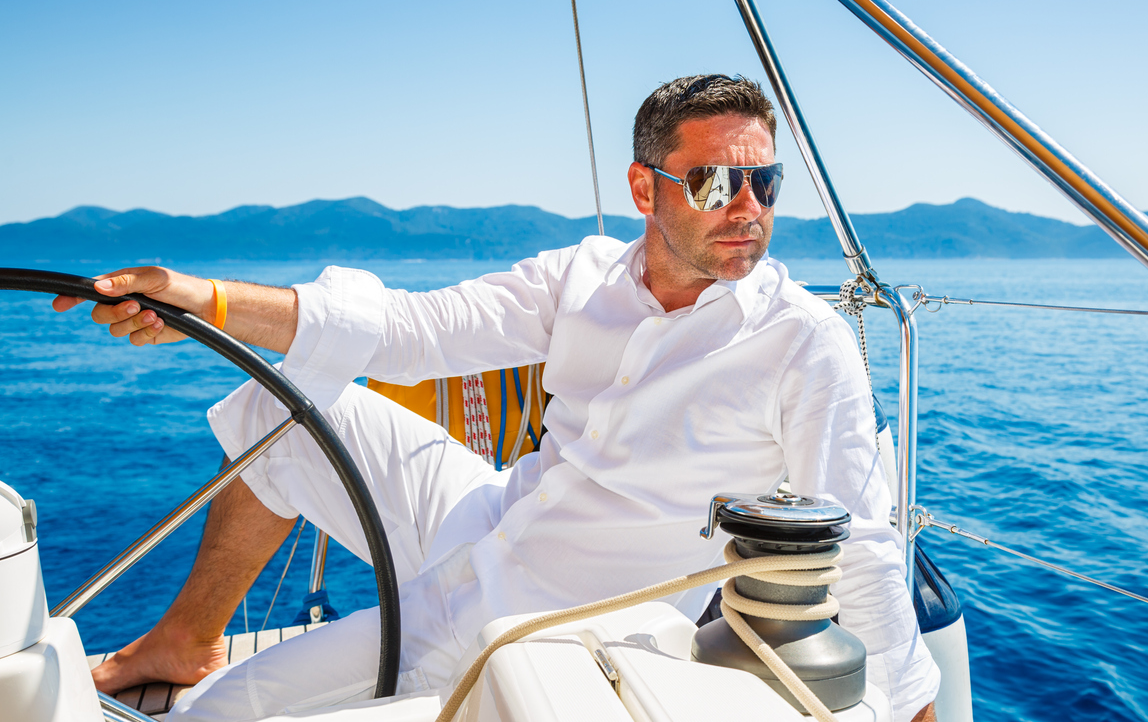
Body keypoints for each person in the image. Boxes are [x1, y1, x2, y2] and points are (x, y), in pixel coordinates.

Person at [55, 74, 939, 721]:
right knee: (281, 404)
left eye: (764, 183)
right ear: (646, 189)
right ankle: (183, 640)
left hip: (547, 625)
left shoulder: (801, 341)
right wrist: (201, 301)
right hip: (487, 520)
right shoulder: (582, 276)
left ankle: (232, 677)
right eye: (716, 182)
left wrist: (910, 711)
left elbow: (859, 544)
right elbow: (411, 329)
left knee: (217, 719)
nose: (747, 207)